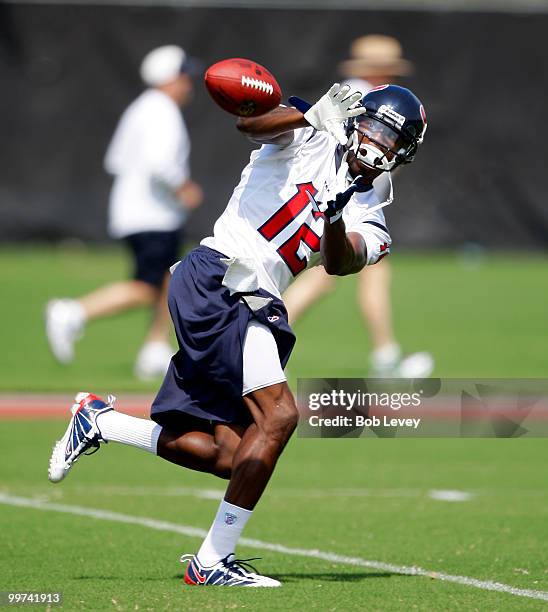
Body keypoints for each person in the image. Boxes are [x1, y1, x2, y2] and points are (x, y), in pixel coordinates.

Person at [48, 82, 428, 586]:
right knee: (280, 415)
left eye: (390, 140)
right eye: (376, 128)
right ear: (358, 119)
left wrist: (335, 214)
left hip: (244, 296)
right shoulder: (313, 129)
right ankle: (210, 563)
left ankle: (101, 422)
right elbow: (250, 123)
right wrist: (309, 116)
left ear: (403, 154)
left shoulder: (372, 205)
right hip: (222, 278)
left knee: (229, 455)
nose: (378, 144)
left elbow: (341, 261)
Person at [45, 45, 203, 380]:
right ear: (169, 79)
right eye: (183, 76)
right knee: (147, 286)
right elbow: (160, 164)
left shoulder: (142, 108)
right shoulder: (161, 111)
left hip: (142, 211)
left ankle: (154, 349)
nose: (188, 83)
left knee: (168, 280)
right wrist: (183, 189)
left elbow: (114, 159)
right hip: (151, 214)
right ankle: (72, 312)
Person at [282, 35, 433, 378]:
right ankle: (385, 356)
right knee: (365, 271)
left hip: (352, 200)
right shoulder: (360, 96)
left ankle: (256, 334)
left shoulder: (367, 93)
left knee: (326, 278)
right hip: (341, 200)